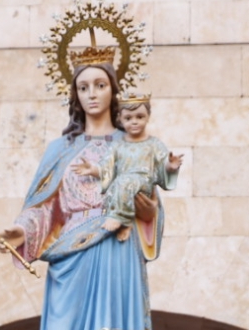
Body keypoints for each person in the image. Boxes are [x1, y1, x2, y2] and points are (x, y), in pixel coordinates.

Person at [2, 62, 158, 330]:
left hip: (116, 250)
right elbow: (44, 209)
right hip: (70, 254)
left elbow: (150, 207)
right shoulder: (61, 149)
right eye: (83, 87)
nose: (92, 94)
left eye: (100, 85)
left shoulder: (132, 145)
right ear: (74, 95)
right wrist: (20, 231)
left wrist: (138, 202)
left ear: (113, 91)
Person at [77, 95, 181, 242]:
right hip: (121, 186)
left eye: (140, 117)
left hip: (143, 183)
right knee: (114, 189)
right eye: (128, 118)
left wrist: (170, 166)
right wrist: (93, 169)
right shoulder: (118, 145)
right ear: (120, 118)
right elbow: (107, 167)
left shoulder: (154, 144)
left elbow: (162, 165)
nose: (134, 122)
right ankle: (126, 224)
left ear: (148, 116)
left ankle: (119, 218)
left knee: (125, 181)